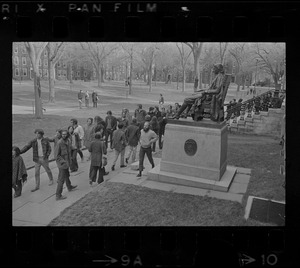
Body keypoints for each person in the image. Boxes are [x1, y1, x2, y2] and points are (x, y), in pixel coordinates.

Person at [55, 129, 77, 201]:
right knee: (61, 180)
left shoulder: (68, 141)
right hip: (62, 164)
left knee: (67, 175)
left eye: (65, 134)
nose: (64, 135)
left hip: (67, 163)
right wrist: (63, 162)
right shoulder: (59, 143)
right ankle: (58, 195)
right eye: (63, 134)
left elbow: (69, 150)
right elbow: (57, 156)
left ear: (67, 134)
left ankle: (69, 187)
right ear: (61, 135)